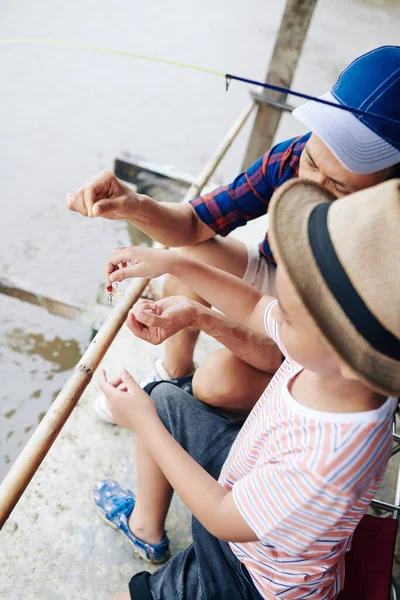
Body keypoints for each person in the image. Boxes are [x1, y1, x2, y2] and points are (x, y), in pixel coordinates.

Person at [93, 177, 400, 600]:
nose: (280, 317)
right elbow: (257, 305)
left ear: (345, 352)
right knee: (163, 399)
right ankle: (146, 530)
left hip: (252, 576)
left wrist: (143, 423)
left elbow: (220, 517)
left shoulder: (325, 463)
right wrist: (173, 265)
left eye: (288, 317)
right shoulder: (343, 360)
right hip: (249, 482)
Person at [67, 45, 400, 417]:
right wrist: (135, 205)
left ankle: (183, 399)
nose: (313, 185)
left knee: (218, 382)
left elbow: (315, 347)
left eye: (339, 186)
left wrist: (201, 314)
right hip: (279, 285)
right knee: (192, 254)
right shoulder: (291, 157)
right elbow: (195, 223)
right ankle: (172, 374)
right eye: (311, 161)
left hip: (331, 340)